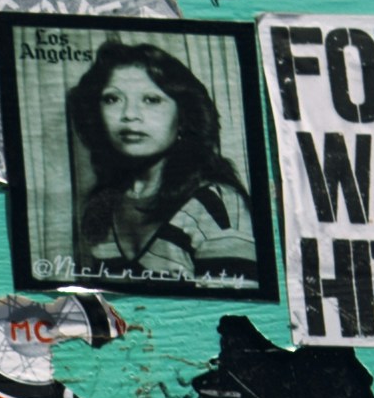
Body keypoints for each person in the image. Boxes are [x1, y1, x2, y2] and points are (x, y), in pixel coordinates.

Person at [59, 38, 261, 289]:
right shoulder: (104, 205)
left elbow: (229, 316)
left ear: (184, 116)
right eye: (112, 99)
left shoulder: (216, 206)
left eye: (151, 99)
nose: (129, 114)